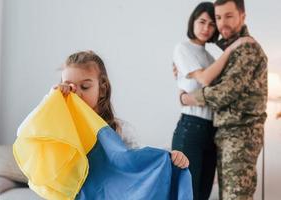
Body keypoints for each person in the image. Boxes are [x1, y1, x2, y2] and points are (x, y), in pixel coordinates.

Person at [180, 0, 268, 199]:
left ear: (242, 17)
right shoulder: (228, 51)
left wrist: (187, 98)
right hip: (228, 135)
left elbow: (224, 93)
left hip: (241, 134)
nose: (222, 24)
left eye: (229, 16)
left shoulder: (246, 49)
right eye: (218, 18)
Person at [54, 50, 189, 169]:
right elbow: (35, 133)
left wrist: (168, 156)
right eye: (69, 88)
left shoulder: (118, 129)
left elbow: (140, 155)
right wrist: (53, 99)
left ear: (102, 89)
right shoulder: (60, 125)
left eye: (85, 86)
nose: (76, 94)